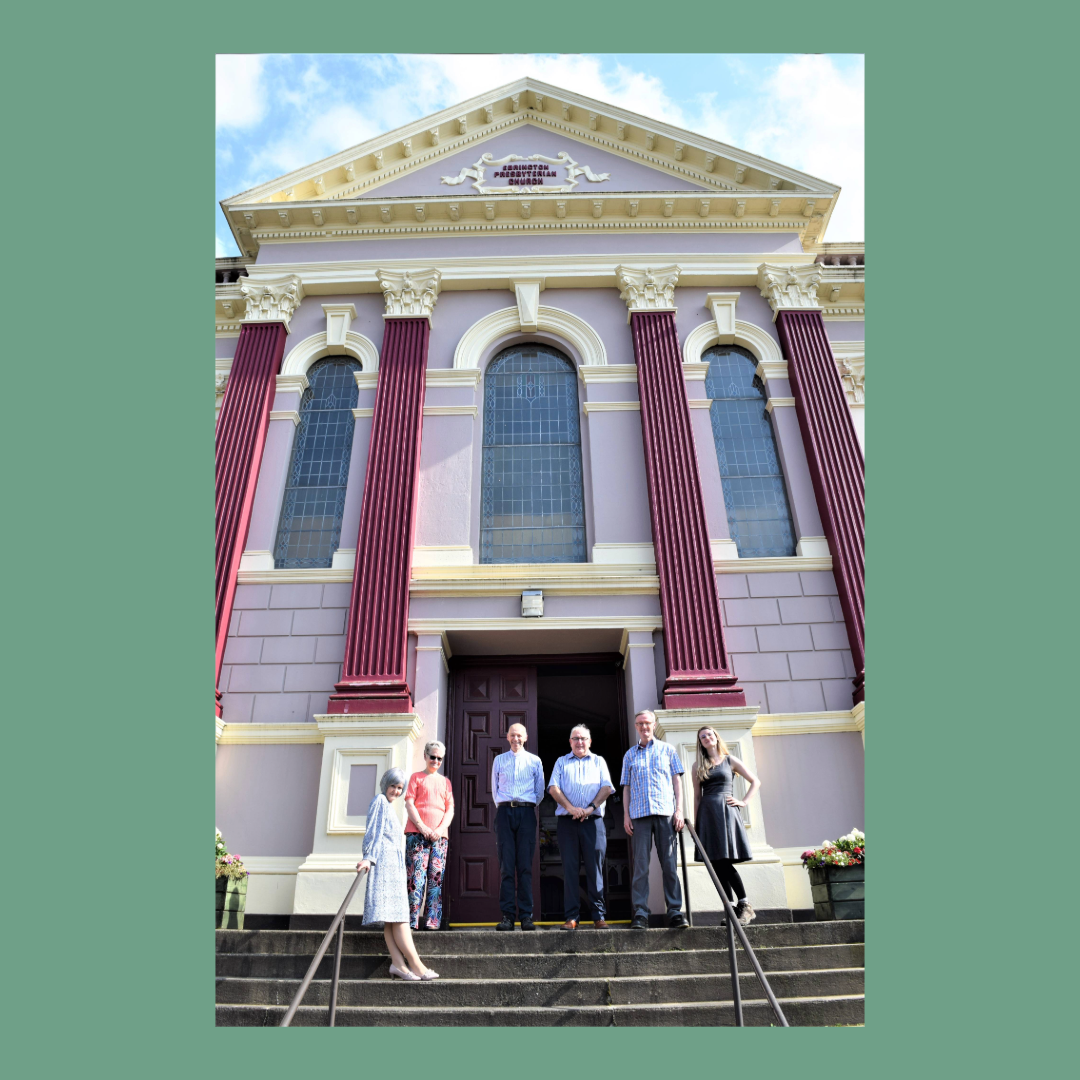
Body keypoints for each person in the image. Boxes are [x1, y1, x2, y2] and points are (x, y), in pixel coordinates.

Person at [355, 768, 440, 981]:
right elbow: (372, 832)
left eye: (400, 788)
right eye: (393, 785)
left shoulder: (390, 806)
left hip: (393, 867)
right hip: (384, 865)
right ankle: (417, 966)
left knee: (392, 920)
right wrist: (368, 857)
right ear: (385, 784)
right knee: (400, 918)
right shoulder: (380, 801)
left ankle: (398, 964)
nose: (396, 790)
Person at [620, 710, 688, 930]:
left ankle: (675, 911)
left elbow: (677, 783)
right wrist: (625, 815)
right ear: (636, 726)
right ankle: (640, 912)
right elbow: (626, 788)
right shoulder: (630, 755)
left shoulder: (668, 750)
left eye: (647, 723)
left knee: (669, 865)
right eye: (639, 724)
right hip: (639, 817)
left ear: (654, 724)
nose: (644, 727)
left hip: (665, 814)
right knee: (641, 867)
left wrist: (679, 810)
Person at [548, 725, 615, 930]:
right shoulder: (561, 762)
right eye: (575, 738)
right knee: (569, 869)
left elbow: (606, 787)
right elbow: (553, 788)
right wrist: (571, 808)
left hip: (593, 822)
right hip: (567, 823)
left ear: (590, 741)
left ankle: (599, 916)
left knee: (596, 870)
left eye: (583, 738)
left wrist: (589, 808)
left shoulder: (599, 761)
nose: (579, 742)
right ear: (570, 742)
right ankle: (571, 917)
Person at [692, 726, 760, 925]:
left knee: (724, 860)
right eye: (702, 737)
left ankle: (745, 905)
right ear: (700, 742)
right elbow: (697, 796)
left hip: (726, 813)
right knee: (715, 862)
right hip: (707, 814)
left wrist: (744, 802)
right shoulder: (698, 765)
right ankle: (731, 909)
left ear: (716, 737)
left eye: (709, 734)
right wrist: (697, 824)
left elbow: (755, 781)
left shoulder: (730, 760)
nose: (706, 738)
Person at [490, 722, 545, 931]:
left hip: (526, 813)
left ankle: (526, 916)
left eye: (519, 735)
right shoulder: (499, 760)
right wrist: (505, 806)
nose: (516, 739)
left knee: (524, 867)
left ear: (526, 737)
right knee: (506, 867)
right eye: (512, 735)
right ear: (507, 737)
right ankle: (507, 916)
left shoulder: (534, 761)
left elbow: (539, 791)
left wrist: (526, 806)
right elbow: (494, 790)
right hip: (504, 813)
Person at [404, 741, 454, 930]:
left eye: (439, 758)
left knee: (436, 879)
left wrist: (439, 830)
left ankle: (432, 920)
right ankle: (411, 919)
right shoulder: (416, 778)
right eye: (432, 756)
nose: (435, 761)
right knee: (415, 880)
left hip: (439, 838)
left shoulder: (445, 782)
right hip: (416, 835)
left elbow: (449, 810)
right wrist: (423, 828)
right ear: (425, 756)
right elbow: (409, 804)